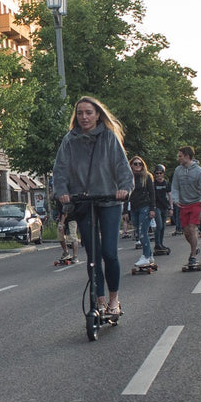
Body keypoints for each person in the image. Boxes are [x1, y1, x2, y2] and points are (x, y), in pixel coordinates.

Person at [52, 97, 133, 316]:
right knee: (93, 255)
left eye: (89, 112)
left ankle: (114, 300)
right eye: (80, 113)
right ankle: (99, 300)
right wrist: (62, 193)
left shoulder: (108, 138)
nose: (84, 117)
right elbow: (60, 170)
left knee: (109, 252)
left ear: (98, 115)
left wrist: (124, 188)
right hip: (83, 201)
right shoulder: (70, 140)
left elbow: (122, 167)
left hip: (109, 200)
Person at [170, 146, 201, 268]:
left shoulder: (199, 171)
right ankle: (195, 247)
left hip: (195, 203)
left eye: (180, 156)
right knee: (186, 232)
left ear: (187, 156)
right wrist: (175, 200)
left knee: (192, 229)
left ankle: (193, 256)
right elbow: (175, 187)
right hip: (183, 205)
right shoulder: (178, 170)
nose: (178, 158)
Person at [127, 156, 157, 270]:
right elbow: (126, 195)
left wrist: (152, 209)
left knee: (142, 231)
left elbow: (152, 193)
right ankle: (149, 255)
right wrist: (125, 211)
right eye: (135, 164)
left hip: (145, 206)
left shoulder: (147, 177)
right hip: (134, 207)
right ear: (131, 165)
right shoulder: (128, 178)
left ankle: (145, 256)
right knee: (138, 231)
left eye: (140, 164)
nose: (138, 166)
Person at [151, 164, 171, 255]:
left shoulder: (166, 183)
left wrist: (171, 208)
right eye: (157, 173)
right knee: (159, 225)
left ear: (163, 174)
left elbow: (170, 195)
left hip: (164, 206)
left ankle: (161, 243)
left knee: (163, 226)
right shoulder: (153, 183)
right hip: (156, 206)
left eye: (160, 173)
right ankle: (157, 244)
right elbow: (151, 196)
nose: (159, 175)